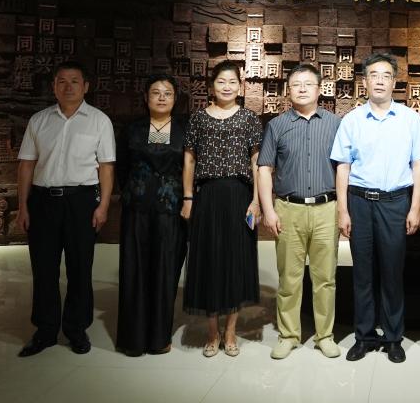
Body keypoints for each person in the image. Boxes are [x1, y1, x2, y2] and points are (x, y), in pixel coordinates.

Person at [330, 53, 420, 363]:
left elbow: (419, 165)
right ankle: (364, 336)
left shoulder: (409, 119)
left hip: (395, 203)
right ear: (365, 81)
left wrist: (415, 207)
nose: (379, 81)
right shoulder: (352, 120)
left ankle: (392, 337)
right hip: (360, 202)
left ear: (394, 82)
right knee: (362, 273)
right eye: (373, 75)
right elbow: (343, 167)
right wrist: (343, 210)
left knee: (392, 273)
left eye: (386, 75)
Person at [16, 61, 115, 357]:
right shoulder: (39, 121)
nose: (68, 86)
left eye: (74, 81)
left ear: (86, 86)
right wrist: (23, 206)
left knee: (80, 269)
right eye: (62, 81)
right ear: (53, 87)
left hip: (81, 201)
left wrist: (103, 206)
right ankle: (45, 330)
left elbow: (106, 167)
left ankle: (76, 329)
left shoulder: (99, 121)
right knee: (43, 268)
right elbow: (26, 165)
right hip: (43, 201)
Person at [257, 64, 342, 360]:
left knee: (325, 278)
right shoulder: (277, 125)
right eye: (296, 84)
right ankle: (288, 335)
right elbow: (264, 169)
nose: (302, 88)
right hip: (288, 209)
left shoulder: (335, 124)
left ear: (319, 89)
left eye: (308, 83)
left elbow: (345, 169)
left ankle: (325, 336)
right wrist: (269, 210)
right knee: (289, 279)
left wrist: (344, 209)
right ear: (288, 90)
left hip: (326, 209)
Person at [181, 61, 263, 358]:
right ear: (211, 86)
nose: (227, 87)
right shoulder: (198, 119)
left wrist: (257, 200)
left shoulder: (249, 119)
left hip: (240, 196)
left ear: (240, 86)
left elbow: (257, 162)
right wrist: (188, 197)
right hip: (207, 197)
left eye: (232, 82)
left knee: (236, 261)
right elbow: (189, 160)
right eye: (221, 82)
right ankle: (212, 332)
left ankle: (230, 331)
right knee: (209, 261)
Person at [115, 74, 189, 357]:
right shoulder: (132, 129)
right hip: (137, 209)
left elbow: (190, 167)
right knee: (134, 270)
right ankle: (133, 339)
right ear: (146, 98)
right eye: (155, 92)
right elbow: (122, 167)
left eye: (167, 93)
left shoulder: (184, 129)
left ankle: (159, 338)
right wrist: (136, 190)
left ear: (175, 99)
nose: (161, 97)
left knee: (165, 271)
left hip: (171, 210)